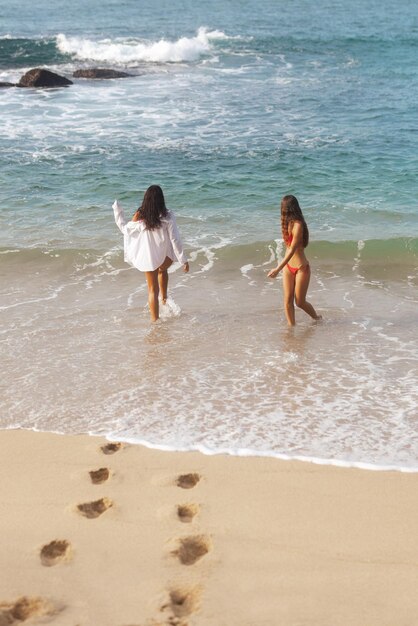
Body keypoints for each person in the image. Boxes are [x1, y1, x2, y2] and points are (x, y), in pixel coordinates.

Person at [113, 185, 189, 322]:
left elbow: (126, 230)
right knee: (163, 269)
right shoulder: (168, 215)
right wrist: (183, 259)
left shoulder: (140, 214)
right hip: (165, 256)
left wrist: (117, 210)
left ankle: (155, 321)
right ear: (161, 199)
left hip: (148, 257)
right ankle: (164, 299)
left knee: (152, 290)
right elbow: (175, 239)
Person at [268, 194, 321, 326]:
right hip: (288, 268)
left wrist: (277, 269)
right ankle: (291, 330)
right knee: (287, 301)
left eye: (283, 208)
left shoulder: (298, 225)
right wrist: (282, 268)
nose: (282, 211)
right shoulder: (287, 223)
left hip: (301, 268)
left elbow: (292, 250)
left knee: (300, 302)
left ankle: (317, 318)